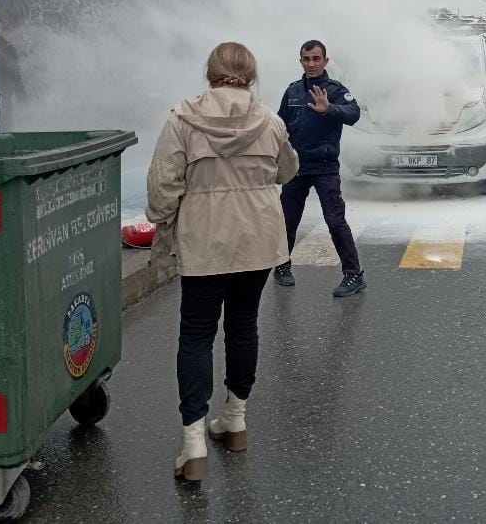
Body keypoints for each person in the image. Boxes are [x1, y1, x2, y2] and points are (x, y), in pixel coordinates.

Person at [146, 42, 299, 482]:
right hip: (257, 240)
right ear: (250, 75)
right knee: (243, 325)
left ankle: (193, 443)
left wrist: (165, 220)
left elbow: (162, 188)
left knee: (196, 334)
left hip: (205, 240)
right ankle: (235, 420)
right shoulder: (270, 119)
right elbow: (286, 171)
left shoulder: (183, 120)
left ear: (210, 73)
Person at [275, 40, 365, 297]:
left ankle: (353, 275)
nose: (311, 63)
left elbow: (354, 113)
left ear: (326, 61)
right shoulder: (292, 92)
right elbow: (280, 126)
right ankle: (282, 266)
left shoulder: (335, 90)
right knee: (287, 220)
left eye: (316, 59)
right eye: (306, 59)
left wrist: (329, 109)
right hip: (296, 166)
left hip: (325, 167)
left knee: (335, 220)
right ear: (300, 61)